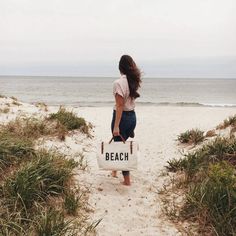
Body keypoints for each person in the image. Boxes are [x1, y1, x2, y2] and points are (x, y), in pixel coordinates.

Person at [111, 55, 142, 186]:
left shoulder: (118, 83)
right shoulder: (133, 81)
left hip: (122, 118)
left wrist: (116, 126)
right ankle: (113, 171)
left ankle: (127, 180)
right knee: (120, 143)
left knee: (120, 148)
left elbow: (119, 106)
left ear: (120, 67)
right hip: (132, 117)